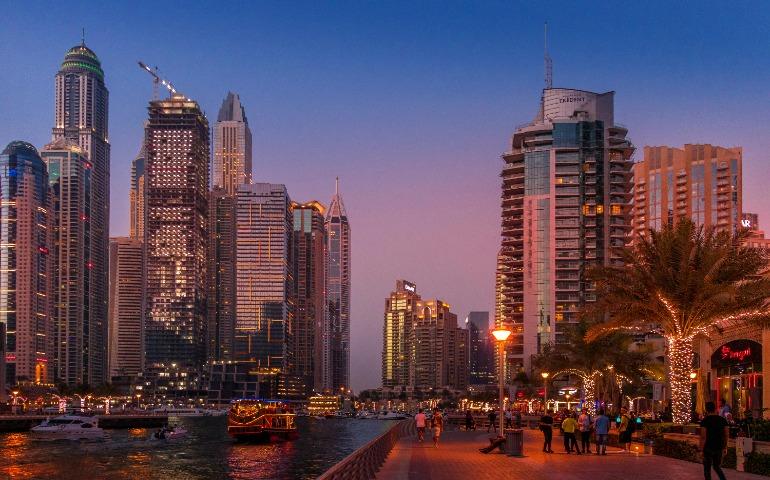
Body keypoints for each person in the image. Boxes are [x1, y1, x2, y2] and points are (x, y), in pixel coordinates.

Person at [700, 401, 728, 480]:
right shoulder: (723, 420)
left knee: (707, 469)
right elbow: (726, 435)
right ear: (715, 409)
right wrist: (725, 447)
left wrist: (701, 450)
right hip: (719, 446)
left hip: (708, 447)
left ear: (706, 410)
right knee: (717, 467)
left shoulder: (705, 421)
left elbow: (703, 437)